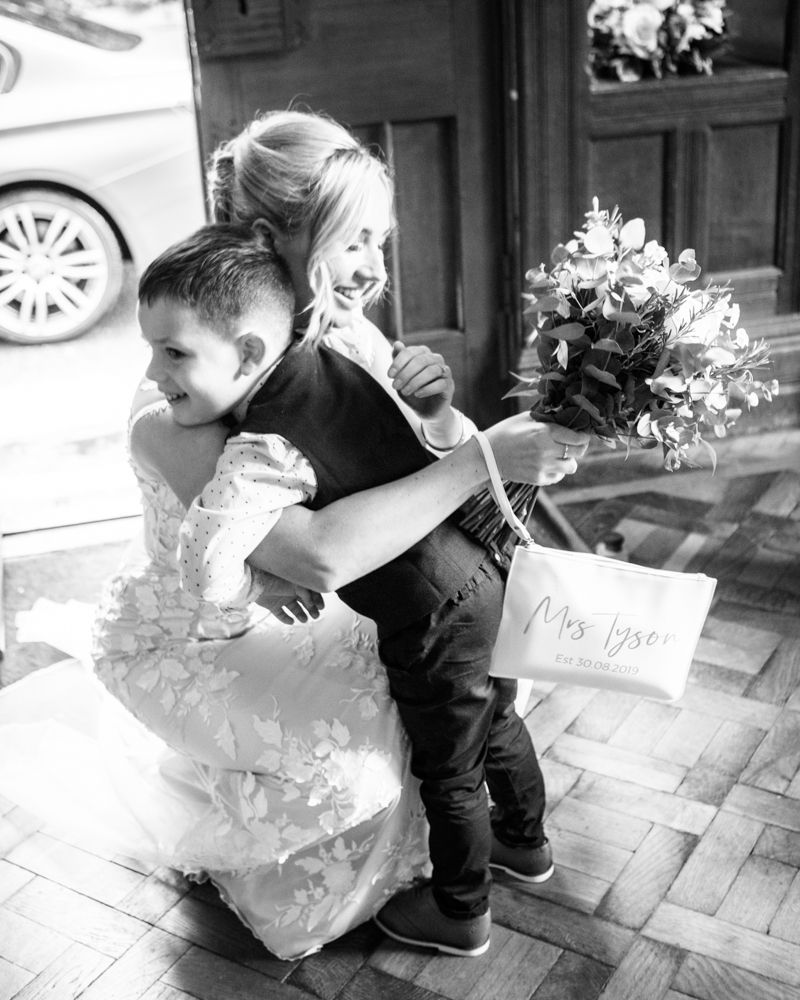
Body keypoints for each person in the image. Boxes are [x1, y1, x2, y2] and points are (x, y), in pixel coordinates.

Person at [162, 108, 590, 958]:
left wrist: (435, 414)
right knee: (494, 716)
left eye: (378, 242)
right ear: (265, 237)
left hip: (429, 604)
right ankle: (526, 840)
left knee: (450, 764)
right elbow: (316, 546)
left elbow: (395, 463)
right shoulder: (229, 379)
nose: (373, 267)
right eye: (353, 242)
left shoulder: (307, 363)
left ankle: (461, 907)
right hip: (472, 569)